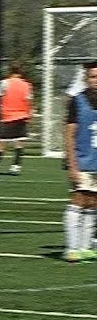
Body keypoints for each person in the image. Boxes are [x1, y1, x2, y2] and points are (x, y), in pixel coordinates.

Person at [62, 61, 97, 263]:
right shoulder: (78, 101)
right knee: (79, 201)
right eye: (92, 77)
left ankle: (85, 247)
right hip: (82, 159)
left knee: (93, 204)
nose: (96, 81)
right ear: (86, 79)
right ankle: (72, 247)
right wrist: (72, 164)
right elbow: (69, 134)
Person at [0, 65, 33, 175]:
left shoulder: (4, 83)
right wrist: (29, 115)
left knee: (1, 143)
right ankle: (16, 167)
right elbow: (29, 101)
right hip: (22, 116)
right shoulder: (27, 85)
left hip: (7, 116)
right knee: (19, 143)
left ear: (10, 72)